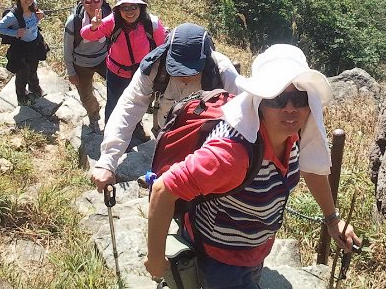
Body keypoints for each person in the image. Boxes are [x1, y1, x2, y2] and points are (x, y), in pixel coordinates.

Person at [145, 44, 360, 288]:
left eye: (299, 98)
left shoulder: (290, 135)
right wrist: (155, 258)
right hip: (221, 260)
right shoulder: (232, 154)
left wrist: (333, 220)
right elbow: (164, 189)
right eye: (277, 98)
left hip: (254, 249)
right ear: (259, 102)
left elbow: (310, 167)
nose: (290, 108)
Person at [91, 23, 240, 191]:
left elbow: (244, 116)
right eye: (177, 69)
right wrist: (107, 161)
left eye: (192, 71)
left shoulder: (222, 71)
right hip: (166, 140)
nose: (184, 75)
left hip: (205, 147)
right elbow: (128, 107)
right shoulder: (154, 67)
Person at [80, 0, 167, 122]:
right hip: (117, 73)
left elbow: (162, 47)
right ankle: (110, 131)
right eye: (125, 8)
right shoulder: (112, 22)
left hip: (142, 72)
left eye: (133, 7)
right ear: (119, 10)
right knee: (114, 104)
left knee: (136, 104)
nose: (129, 12)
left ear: (140, 8)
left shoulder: (151, 23)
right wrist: (94, 27)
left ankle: (135, 128)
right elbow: (85, 35)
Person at [63, 0, 111, 132]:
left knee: (117, 86)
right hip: (81, 63)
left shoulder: (109, 16)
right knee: (85, 94)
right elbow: (67, 48)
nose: (93, 4)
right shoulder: (74, 22)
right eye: (88, 1)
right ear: (82, 1)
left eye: (96, 0)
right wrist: (71, 71)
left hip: (104, 58)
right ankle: (94, 114)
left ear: (102, 0)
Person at [0, 0, 48, 106]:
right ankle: (22, 97)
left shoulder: (33, 5)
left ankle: (35, 89)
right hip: (21, 47)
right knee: (22, 72)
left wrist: (40, 17)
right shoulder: (13, 15)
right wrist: (15, 33)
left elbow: (33, 23)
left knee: (33, 69)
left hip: (34, 43)